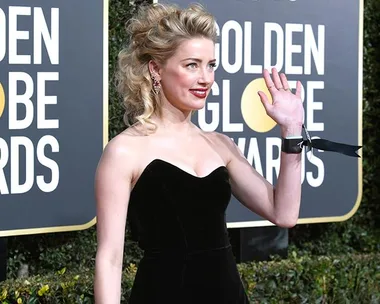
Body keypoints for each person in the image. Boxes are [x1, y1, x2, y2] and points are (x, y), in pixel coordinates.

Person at [94, 3, 305, 304]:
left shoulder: (220, 145)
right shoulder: (124, 151)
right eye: (192, 65)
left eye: (211, 65)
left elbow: (283, 212)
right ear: (156, 69)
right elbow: (110, 259)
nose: (206, 78)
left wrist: (292, 130)